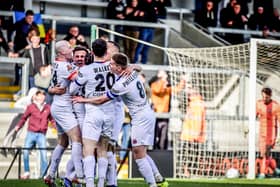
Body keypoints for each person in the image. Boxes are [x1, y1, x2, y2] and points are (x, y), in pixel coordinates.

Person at [72, 53, 168, 187]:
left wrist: (83, 99)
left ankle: (152, 184)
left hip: (141, 117)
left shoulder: (121, 84)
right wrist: (132, 66)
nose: (109, 66)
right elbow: (139, 67)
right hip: (147, 113)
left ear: (118, 67)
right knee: (141, 152)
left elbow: (101, 100)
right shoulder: (132, 72)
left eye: (111, 64)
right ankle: (158, 178)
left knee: (138, 155)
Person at [44, 40, 84, 186]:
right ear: (62, 52)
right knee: (77, 139)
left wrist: (51, 89)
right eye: (68, 47)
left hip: (58, 105)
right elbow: (79, 79)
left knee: (63, 142)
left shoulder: (56, 63)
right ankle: (79, 176)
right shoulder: (64, 66)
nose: (71, 48)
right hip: (63, 108)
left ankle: (50, 174)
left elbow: (53, 84)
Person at [15, 90, 53, 179]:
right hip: (31, 133)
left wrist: (57, 129)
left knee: (43, 155)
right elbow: (23, 118)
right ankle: (27, 172)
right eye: (40, 95)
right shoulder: (30, 107)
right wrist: (18, 126)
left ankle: (44, 175)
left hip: (41, 134)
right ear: (35, 97)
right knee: (25, 152)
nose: (42, 97)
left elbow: (52, 120)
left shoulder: (48, 107)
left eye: (43, 95)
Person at [7, 10, 38, 86]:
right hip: (19, 46)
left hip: (29, 47)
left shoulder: (34, 25)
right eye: (29, 18)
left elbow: (38, 35)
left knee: (29, 64)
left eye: (32, 18)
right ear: (26, 17)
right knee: (18, 64)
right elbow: (9, 30)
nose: (30, 20)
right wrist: (9, 40)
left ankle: (27, 82)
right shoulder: (19, 23)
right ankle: (17, 81)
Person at [256, 87, 280, 179]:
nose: (264, 99)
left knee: (266, 152)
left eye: (266, 97)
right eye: (263, 97)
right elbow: (254, 115)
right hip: (262, 133)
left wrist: (279, 136)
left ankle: (262, 173)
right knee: (263, 154)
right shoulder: (259, 103)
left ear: (270, 96)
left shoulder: (276, 105)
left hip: (272, 133)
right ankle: (275, 169)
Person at [150, 70, 171, 150]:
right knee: (155, 135)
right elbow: (158, 90)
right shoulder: (154, 84)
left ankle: (162, 152)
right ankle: (154, 150)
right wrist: (163, 81)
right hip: (156, 114)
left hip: (165, 114)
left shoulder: (166, 86)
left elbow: (176, 90)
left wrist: (183, 80)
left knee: (163, 137)